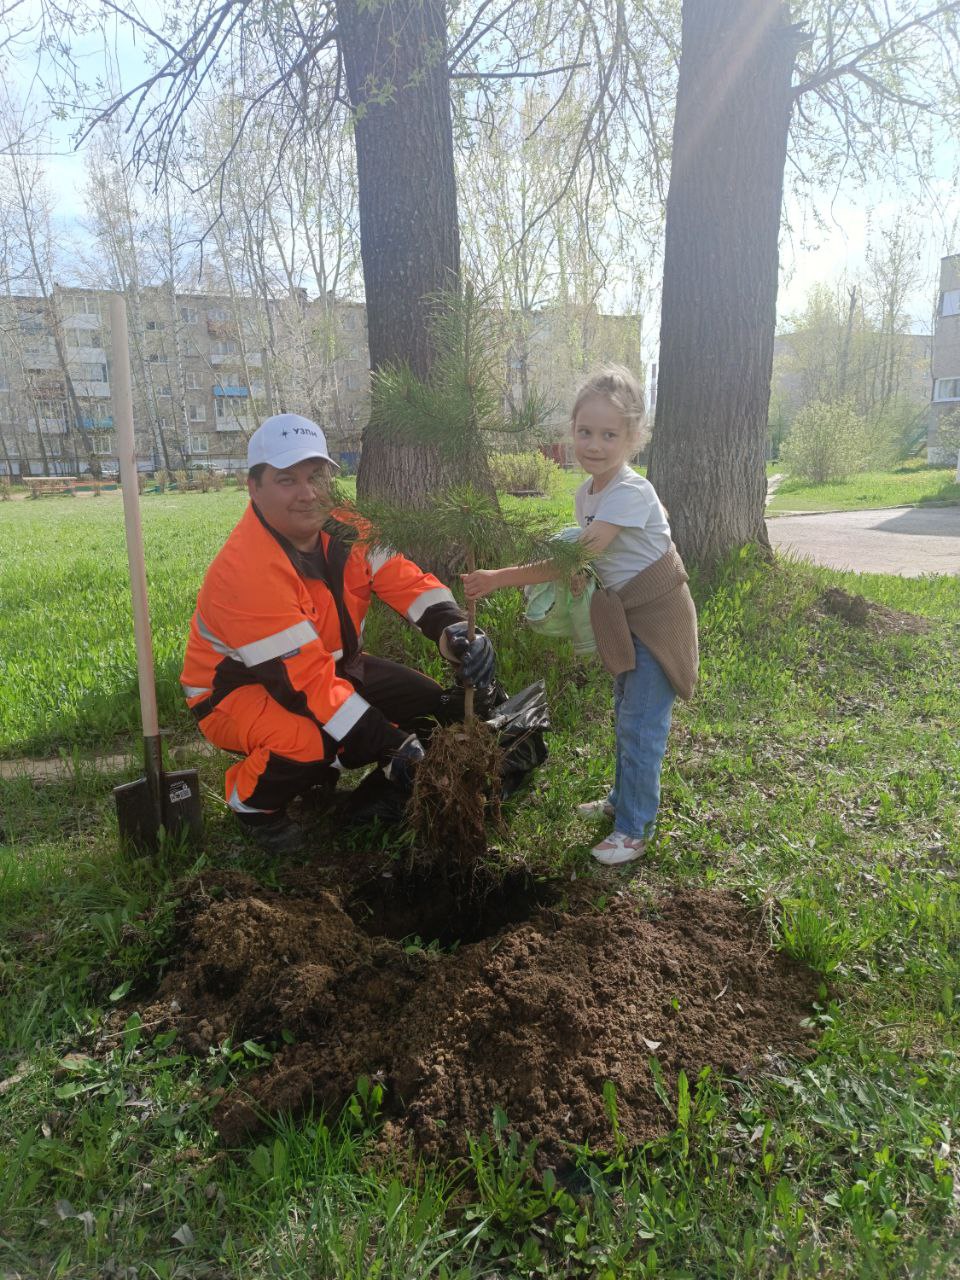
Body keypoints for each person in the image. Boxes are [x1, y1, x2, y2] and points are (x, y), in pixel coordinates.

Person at [181, 413, 496, 853]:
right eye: (287, 480)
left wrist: (455, 629)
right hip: (236, 692)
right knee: (308, 743)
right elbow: (305, 685)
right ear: (253, 486)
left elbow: (405, 581)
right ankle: (253, 804)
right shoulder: (246, 571)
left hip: (328, 665)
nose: (308, 493)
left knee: (430, 707)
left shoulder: (348, 526)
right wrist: (389, 745)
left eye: (316, 476)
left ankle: (327, 767)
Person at [462, 365, 698, 866]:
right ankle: (621, 801)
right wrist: (581, 577)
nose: (594, 444)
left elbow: (576, 554)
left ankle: (633, 830)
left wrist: (497, 578)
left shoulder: (630, 491)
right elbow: (595, 558)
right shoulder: (587, 493)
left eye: (609, 434)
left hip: (656, 619)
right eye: (585, 432)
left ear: (633, 437)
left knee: (641, 726)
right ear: (572, 432)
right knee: (626, 713)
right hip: (624, 616)